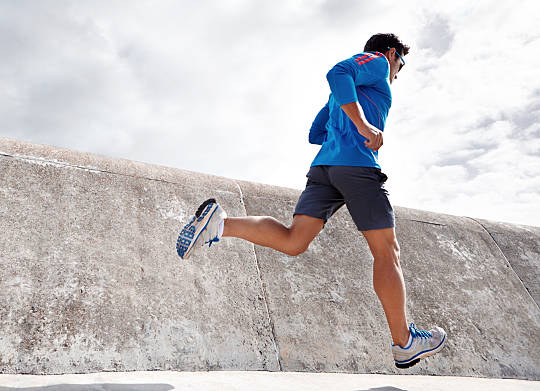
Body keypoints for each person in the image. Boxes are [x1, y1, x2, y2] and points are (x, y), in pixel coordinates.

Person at [175, 33, 446, 369]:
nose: (396, 73)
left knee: (294, 240)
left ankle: (220, 223)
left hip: (324, 169)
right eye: (400, 65)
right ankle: (404, 342)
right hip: (357, 166)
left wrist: (342, 126)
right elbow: (337, 73)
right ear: (391, 53)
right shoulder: (376, 62)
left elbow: (315, 133)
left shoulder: (341, 98)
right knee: (386, 251)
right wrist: (363, 126)